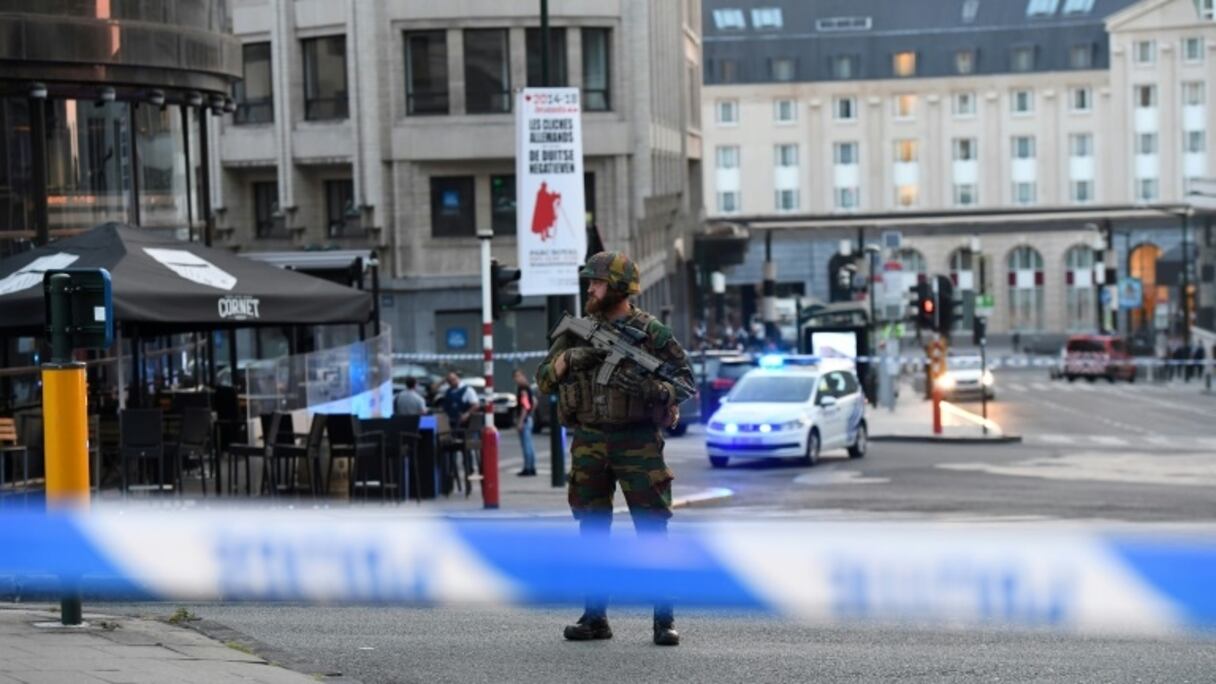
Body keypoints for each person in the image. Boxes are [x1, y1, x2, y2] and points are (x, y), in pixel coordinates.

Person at [536, 251, 694, 647]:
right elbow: (543, 380)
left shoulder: (651, 332)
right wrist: (571, 359)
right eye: (590, 282)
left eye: (597, 282)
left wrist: (653, 389)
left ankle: (663, 620)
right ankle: (595, 617)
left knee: (652, 531)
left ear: (619, 289)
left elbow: (686, 383)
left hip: (637, 440)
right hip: (589, 439)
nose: (590, 288)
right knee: (591, 530)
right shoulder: (577, 331)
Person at [440, 371, 480, 492]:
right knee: (449, 455)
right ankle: (450, 479)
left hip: (465, 427)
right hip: (451, 427)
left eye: (453, 380)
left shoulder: (468, 390)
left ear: (458, 379)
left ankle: (469, 472)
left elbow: (476, 404)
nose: (452, 382)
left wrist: (467, 414)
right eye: (449, 381)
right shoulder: (448, 392)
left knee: (466, 453)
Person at [513, 369, 537, 476]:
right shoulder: (528, 387)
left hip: (525, 420)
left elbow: (525, 405)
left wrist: (521, 421)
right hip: (528, 419)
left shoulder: (522, 389)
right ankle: (531, 467)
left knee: (526, 445)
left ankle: (528, 468)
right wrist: (530, 413)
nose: (517, 379)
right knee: (529, 445)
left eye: (518, 376)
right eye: (515, 377)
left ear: (523, 375)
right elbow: (534, 402)